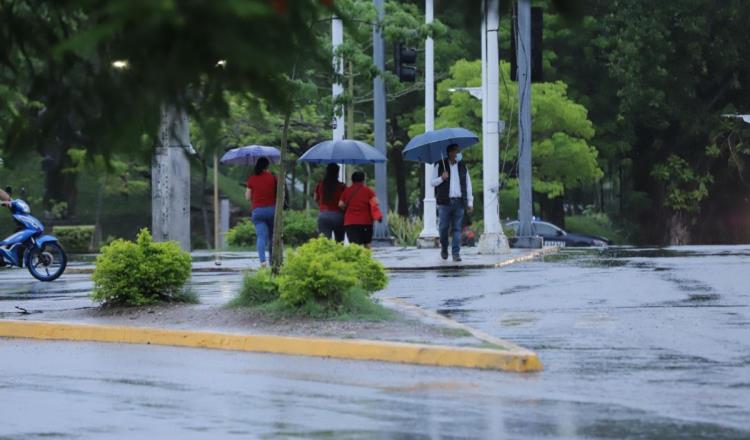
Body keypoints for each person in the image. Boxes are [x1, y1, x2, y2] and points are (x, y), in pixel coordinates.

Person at [431, 144, 473, 262]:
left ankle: (456, 253)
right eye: (456, 152)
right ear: (450, 153)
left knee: (457, 229)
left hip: (459, 202)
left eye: (458, 152)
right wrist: (441, 178)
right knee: (443, 228)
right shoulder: (440, 165)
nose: (458, 154)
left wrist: (470, 202)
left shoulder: (462, 167)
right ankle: (444, 248)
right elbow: (432, 182)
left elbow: (468, 184)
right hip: (444, 202)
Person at [245, 157, 277, 267]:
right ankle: (273, 260)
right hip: (272, 210)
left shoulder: (252, 178)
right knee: (272, 236)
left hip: (258, 211)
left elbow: (248, 197)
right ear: (267, 166)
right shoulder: (272, 178)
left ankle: (263, 261)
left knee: (261, 237)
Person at [339, 171, 380, 248]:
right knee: (367, 243)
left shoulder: (347, 191)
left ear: (352, 180)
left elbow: (340, 204)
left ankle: (357, 259)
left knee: (354, 245)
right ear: (363, 180)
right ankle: (367, 259)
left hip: (350, 222)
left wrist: (346, 209)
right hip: (365, 222)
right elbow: (376, 203)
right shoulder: (368, 191)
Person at [314, 163, 346, 242]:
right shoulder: (342, 186)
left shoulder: (320, 185)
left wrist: (321, 205)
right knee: (339, 242)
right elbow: (345, 202)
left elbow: (315, 198)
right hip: (338, 216)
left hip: (323, 215)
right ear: (337, 173)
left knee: (325, 243)